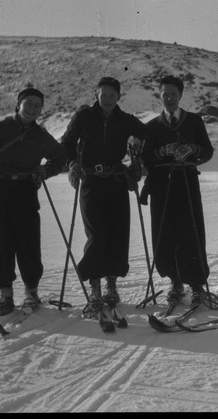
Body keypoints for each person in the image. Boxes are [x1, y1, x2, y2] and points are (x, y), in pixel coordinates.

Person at [0, 87, 68, 315]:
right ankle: (5, 295)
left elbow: (60, 157)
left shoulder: (40, 136)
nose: (32, 109)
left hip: (25, 189)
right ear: (18, 105)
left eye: (37, 106)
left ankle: (31, 293)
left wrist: (45, 171)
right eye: (28, 104)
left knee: (28, 242)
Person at [61, 77, 145, 313]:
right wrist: (71, 164)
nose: (107, 99)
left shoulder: (126, 120)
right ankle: (95, 286)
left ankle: (111, 285)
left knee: (117, 233)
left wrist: (138, 150)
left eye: (112, 95)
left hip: (116, 181)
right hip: (91, 182)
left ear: (118, 97)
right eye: (103, 94)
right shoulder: (83, 117)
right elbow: (66, 143)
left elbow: (146, 134)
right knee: (96, 234)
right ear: (96, 94)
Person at [139, 75, 215, 307]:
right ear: (159, 95)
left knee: (191, 231)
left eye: (173, 94)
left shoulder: (193, 121)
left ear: (180, 96)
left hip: (187, 181)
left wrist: (192, 148)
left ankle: (196, 284)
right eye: (165, 94)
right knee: (165, 233)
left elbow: (207, 151)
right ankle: (175, 282)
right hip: (161, 185)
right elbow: (146, 158)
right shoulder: (151, 126)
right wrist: (161, 153)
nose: (169, 98)